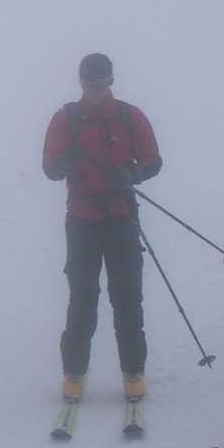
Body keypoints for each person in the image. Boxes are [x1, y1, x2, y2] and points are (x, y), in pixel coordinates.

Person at [41, 52, 162, 402]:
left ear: (111, 81)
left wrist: (134, 173)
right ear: (80, 82)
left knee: (127, 298)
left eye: (99, 83)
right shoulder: (66, 119)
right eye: (88, 84)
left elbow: (153, 161)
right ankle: (74, 373)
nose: (93, 91)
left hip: (122, 218)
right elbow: (48, 166)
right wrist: (60, 166)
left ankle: (133, 372)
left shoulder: (129, 116)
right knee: (82, 298)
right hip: (82, 220)